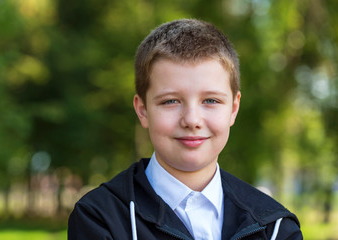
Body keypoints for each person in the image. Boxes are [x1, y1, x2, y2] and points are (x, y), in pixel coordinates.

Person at [68, 19, 303, 240]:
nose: (192, 120)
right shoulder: (101, 218)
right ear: (143, 110)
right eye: (170, 101)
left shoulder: (275, 228)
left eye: (210, 100)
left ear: (233, 109)